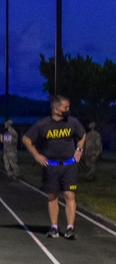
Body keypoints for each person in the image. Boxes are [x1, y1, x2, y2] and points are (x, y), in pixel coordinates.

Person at [21, 95, 86, 240]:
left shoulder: (72, 122)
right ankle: (54, 227)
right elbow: (26, 139)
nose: (68, 110)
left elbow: (82, 135)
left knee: (69, 195)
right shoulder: (42, 124)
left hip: (69, 165)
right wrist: (37, 156)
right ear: (56, 109)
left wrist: (79, 150)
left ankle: (70, 228)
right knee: (52, 196)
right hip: (51, 166)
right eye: (65, 107)